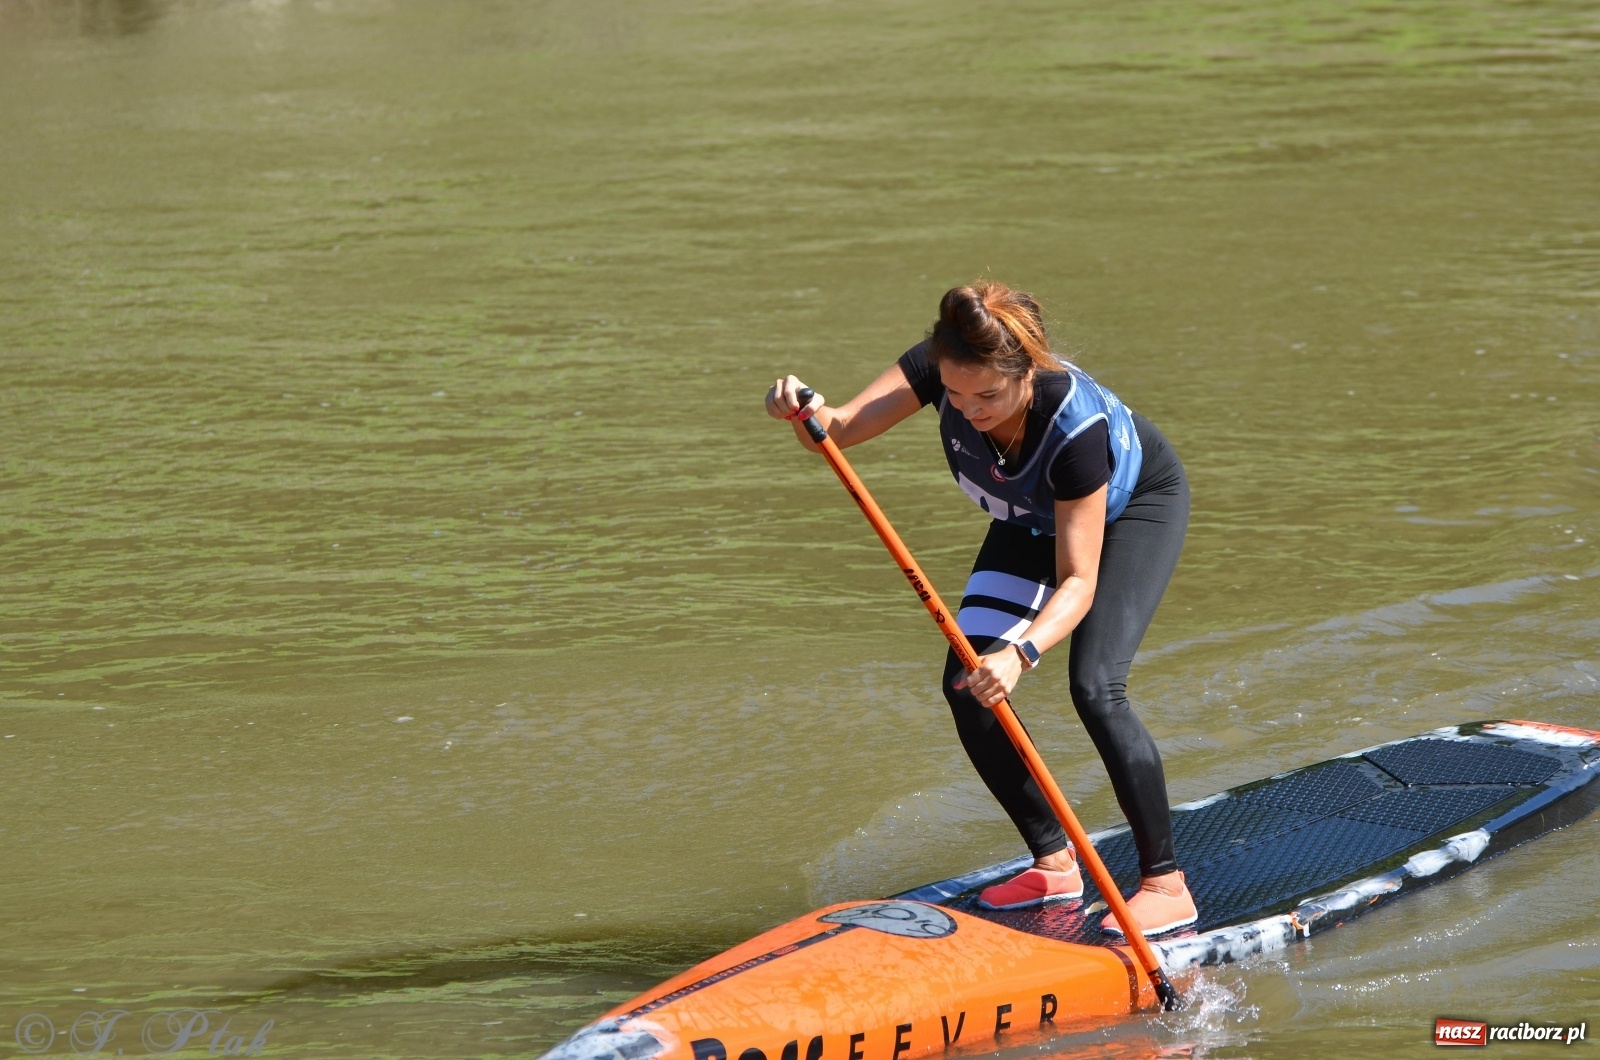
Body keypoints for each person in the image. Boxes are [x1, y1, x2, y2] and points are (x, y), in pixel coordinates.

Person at [764, 281, 1196, 935]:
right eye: (955, 396)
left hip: (1130, 510)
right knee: (968, 687)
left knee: (1095, 687)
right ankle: (1054, 864)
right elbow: (839, 432)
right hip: (1030, 518)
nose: (968, 410)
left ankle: (1166, 884)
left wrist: (1021, 653)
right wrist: (805, 411)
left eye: (988, 397)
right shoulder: (944, 364)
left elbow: (1079, 580)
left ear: (1029, 372)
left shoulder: (1074, 429)